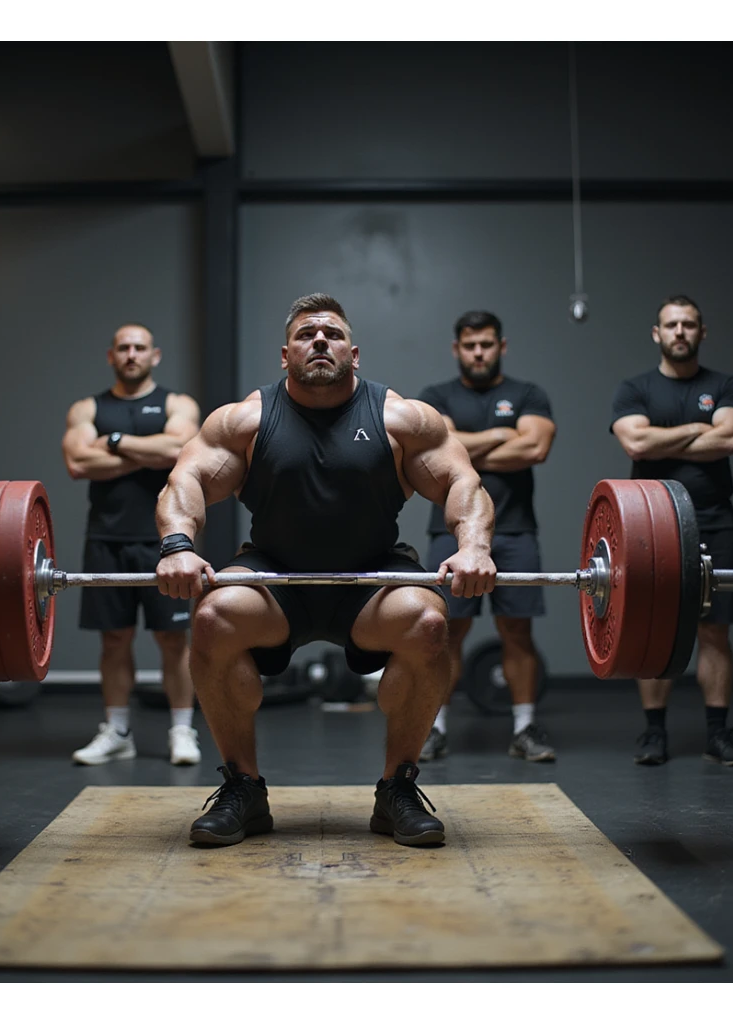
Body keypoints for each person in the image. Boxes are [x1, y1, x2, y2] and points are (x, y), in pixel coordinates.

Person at [153, 293, 497, 847]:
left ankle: (397, 790)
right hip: (276, 577)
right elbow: (184, 482)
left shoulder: (401, 418)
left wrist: (474, 546)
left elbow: (464, 484)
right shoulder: (245, 419)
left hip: (370, 577)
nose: (319, 341)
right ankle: (244, 789)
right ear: (284, 354)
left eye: (332, 334)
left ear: (354, 353)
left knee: (429, 623)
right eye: (307, 334)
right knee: (213, 617)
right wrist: (176, 546)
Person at [610, 295, 733, 767]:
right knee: (653, 628)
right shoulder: (635, 388)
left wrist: (663, 439)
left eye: (688, 324)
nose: (679, 332)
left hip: (715, 518)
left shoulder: (726, 385)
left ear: (701, 332)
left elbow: (732, 437)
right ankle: (654, 734)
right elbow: (635, 441)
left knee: (715, 632)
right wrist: (699, 430)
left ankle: (718, 733)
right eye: (670, 325)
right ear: (657, 333)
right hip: (650, 522)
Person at [417, 311, 557, 763]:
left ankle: (524, 728)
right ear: (457, 349)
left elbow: (535, 447)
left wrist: (464, 446)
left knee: (517, 632)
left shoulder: (528, 394)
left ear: (502, 346)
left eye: (487, 344)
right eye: (471, 344)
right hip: (450, 531)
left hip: (515, 531)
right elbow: (435, 452)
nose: (479, 352)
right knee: (445, 632)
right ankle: (433, 728)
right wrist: (501, 435)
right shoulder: (434, 397)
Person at [62, 322, 202, 767]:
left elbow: (182, 448)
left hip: (165, 540)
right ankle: (117, 731)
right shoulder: (88, 407)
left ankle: (182, 731)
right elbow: (77, 461)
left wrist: (118, 444)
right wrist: (148, 454)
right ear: (111, 356)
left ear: (154, 355)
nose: (131, 354)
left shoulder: (176, 404)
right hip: (106, 538)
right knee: (113, 640)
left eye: (139, 347)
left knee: (173, 639)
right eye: (123, 348)